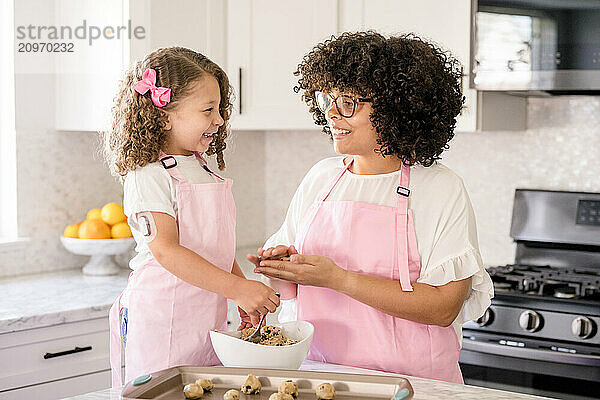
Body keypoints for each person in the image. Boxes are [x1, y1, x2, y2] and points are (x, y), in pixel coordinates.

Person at [247, 32, 493, 384]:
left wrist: (339, 278)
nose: (330, 113)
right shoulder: (321, 178)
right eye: (327, 99)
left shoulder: (439, 188)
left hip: (414, 385)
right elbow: (294, 293)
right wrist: (279, 268)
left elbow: (443, 307)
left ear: (397, 109)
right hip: (322, 377)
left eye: (348, 102)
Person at [103, 47, 280, 387]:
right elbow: (167, 251)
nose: (220, 119)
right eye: (208, 110)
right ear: (164, 115)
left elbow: (213, 247)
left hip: (206, 321)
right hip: (163, 321)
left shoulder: (201, 167)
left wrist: (240, 291)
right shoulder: (149, 174)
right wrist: (238, 289)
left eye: (220, 108)